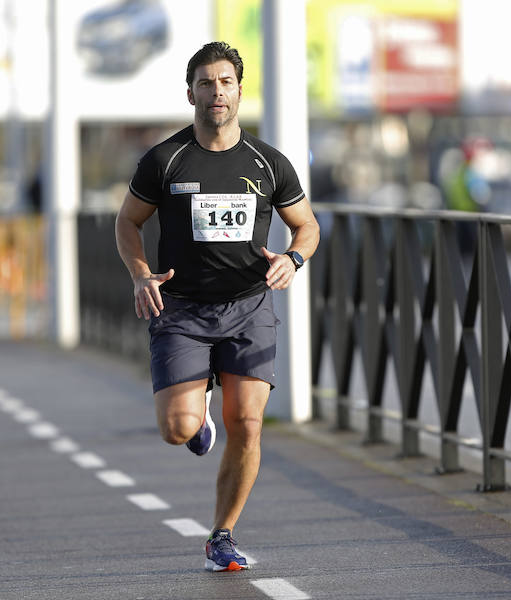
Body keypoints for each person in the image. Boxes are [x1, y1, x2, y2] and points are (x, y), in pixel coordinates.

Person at [115, 41, 320, 572]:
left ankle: (222, 534)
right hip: (181, 310)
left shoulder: (268, 163)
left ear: (239, 91)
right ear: (191, 93)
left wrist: (293, 260)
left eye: (225, 82)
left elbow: (307, 225)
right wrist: (141, 274)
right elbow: (127, 222)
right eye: (206, 83)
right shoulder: (165, 158)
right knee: (176, 430)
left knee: (248, 424)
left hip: (249, 305)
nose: (216, 92)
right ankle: (196, 409)